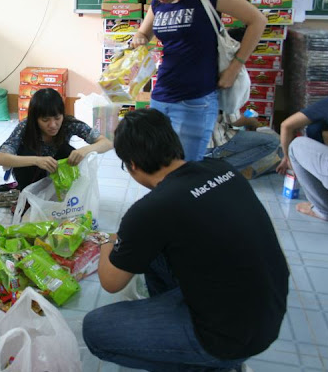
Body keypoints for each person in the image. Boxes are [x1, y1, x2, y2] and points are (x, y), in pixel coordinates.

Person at [83, 109, 289, 371]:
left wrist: (105, 243)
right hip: (269, 313)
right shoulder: (220, 168)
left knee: (96, 330)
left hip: (227, 339)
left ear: (133, 164)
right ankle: (183, 335)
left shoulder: (150, 209)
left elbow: (111, 282)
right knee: (153, 249)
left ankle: (208, 364)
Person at [130, 0, 267, 161]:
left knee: (185, 167)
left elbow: (258, 20)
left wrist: (235, 66)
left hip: (195, 100)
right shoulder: (158, 2)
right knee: (159, 162)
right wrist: (138, 38)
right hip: (161, 95)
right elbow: (143, 33)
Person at [0, 88, 113, 191]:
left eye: (57, 118)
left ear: (63, 114)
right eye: (45, 120)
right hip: (32, 175)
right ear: (35, 119)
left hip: (58, 173)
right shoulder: (25, 127)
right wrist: (37, 160)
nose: (53, 125)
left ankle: (63, 192)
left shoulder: (69, 123)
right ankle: (28, 196)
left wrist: (85, 150)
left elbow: (108, 142)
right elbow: (1, 158)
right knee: (25, 155)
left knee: (69, 152)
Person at [276, 95, 328, 235]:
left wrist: (287, 158)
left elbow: (286, 125)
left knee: (296, 145)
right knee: (315, 127)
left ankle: (322, 210)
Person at [206, 110, 281, 179]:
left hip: (197, 143)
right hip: (214, 139)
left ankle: (213, 168)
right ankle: (220, 169)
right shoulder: (220, 96)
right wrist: (253, 122)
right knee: (272, 141)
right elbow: (235, 121)